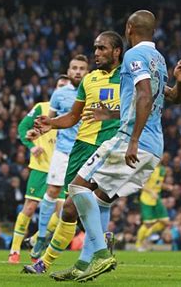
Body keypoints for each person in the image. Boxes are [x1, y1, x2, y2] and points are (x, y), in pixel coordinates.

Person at [30, 11, 181, 282]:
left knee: (78, 188)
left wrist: (133, 139)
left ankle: (101, 254)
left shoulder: (133, 56)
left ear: (129, 29)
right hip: (154, 147)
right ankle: (84, 264)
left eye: (101, 47)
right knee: (99, 199)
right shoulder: (159, 60)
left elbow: (143, 95)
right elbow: (172, 97)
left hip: (131, 140)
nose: (96, 52)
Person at [23, 30, 123, 275]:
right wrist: (51, 124)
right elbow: (72, 117)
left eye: (102, 48)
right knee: (70, 208)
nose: (97, 53)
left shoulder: (129, 77)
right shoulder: (89, 80)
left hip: (111, 147)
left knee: (86, 202)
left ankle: (54, 260)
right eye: (95, 48)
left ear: (117, 51)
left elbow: (140, 109)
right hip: (81, 147)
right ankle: (98, 246)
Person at [29, 55, 89, 261]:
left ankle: (92, 244)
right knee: (53, 192)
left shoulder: (91, 91)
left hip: (85, 151)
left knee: (79, 200)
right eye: (74, 68)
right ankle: (41, 237)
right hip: (63, 150)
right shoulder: (59, 94)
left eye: (82, 68)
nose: (78, 72)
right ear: (69, 70)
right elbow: (50, 122)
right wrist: (36, 134)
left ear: (87, 72)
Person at [7, 76, 64, 264]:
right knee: (30, 207)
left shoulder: (74, 111)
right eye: (60, 86)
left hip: (63, 167)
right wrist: (31, 146)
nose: (63, 89)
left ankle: (34, 239)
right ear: (55, 90)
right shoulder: (42, 108)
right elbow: (23, 127)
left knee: (62, 213)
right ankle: (15, 249)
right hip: (41, 167)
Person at [135, 161, 172, 251]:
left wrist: (166, 186)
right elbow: (141, 184)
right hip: (146, 198)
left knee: (166, 222)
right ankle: (139, 244)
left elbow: (157, 183)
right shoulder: (148, 169)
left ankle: (147, 237)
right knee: (148, 223)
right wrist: (151, 192)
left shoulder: (162, 170)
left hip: (156, 198)